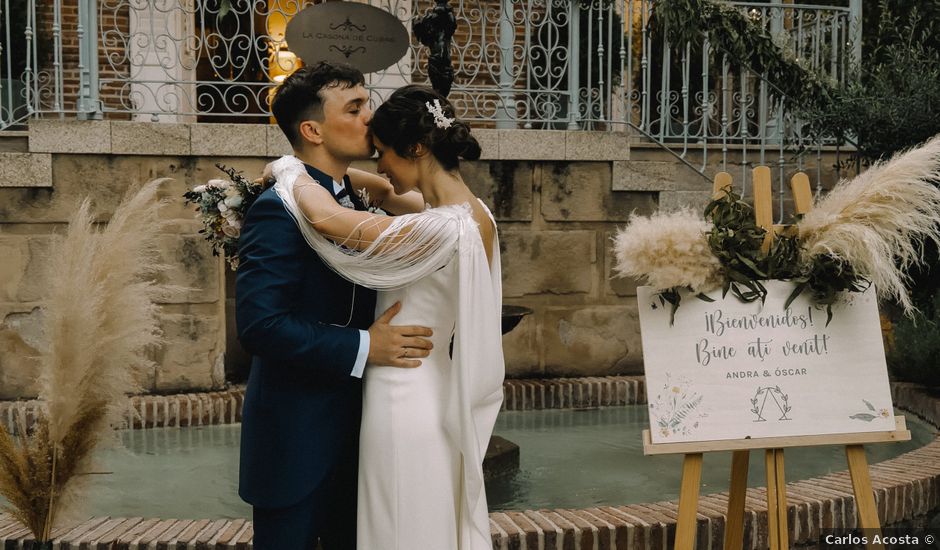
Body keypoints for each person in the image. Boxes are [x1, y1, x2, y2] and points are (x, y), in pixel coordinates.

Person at [269, 84, 505, 550]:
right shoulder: (472, 215)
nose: (378, 166)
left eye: (383, 154)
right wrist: (370, 181)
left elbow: (328, 219)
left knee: (399, 525)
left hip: (402, 397)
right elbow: (394, 198)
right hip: (433, 388)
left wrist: (289, 168)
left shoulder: (437, 229)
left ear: (416, 148)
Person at [235, 63, 435, 550]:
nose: (371, 117)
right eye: (356, 107)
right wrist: (366, 345)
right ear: (312, 130)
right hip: (295, 445)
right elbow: (261, 324)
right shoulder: (277, 207)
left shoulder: (355, 196)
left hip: (364, 439)